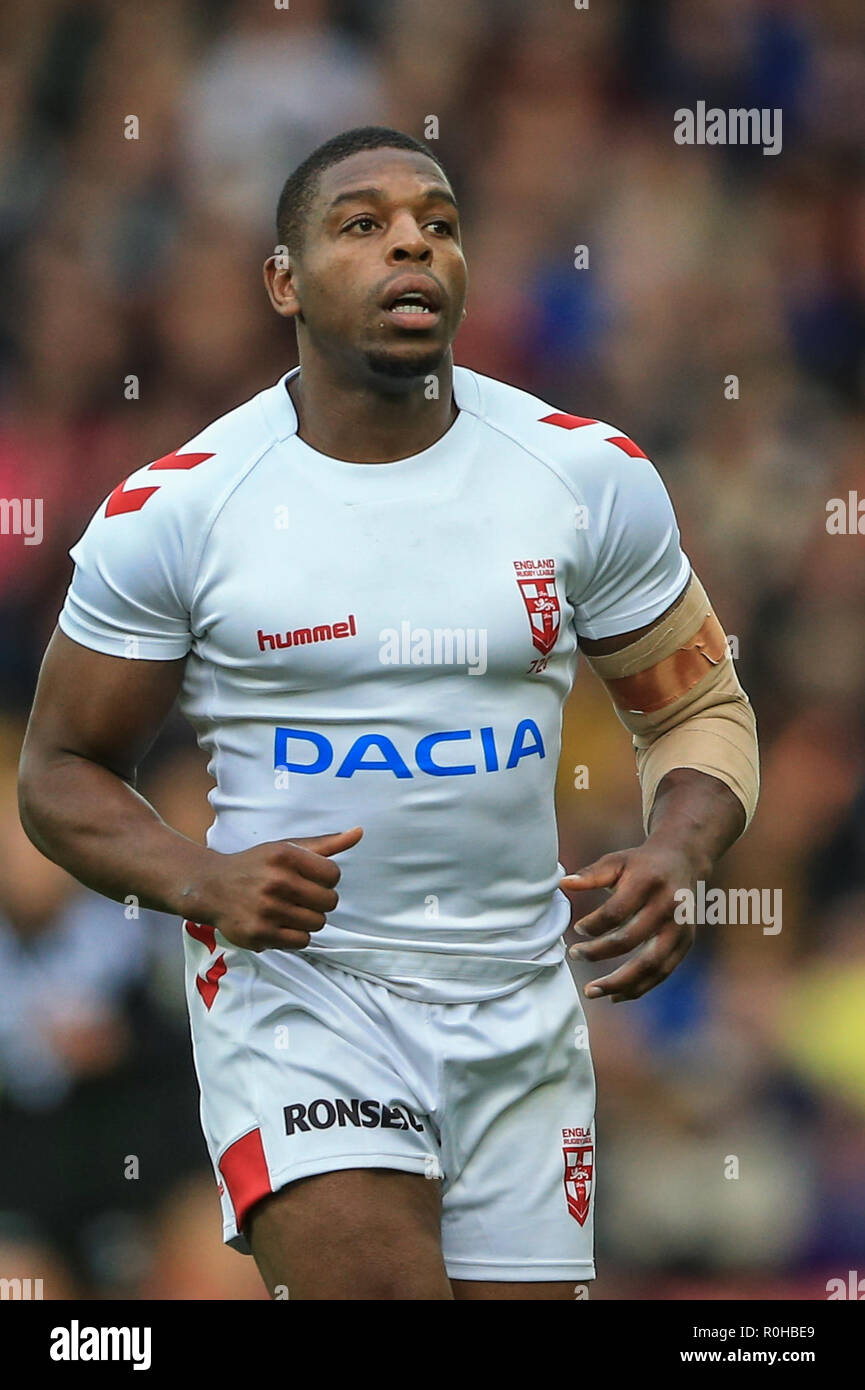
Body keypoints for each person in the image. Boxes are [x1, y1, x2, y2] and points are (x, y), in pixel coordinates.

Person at [18, 127, 759, 1301]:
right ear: (283, 280)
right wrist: (199, 880)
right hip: (307, 994)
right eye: (361, 224)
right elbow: (59, 771)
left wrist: (678, 847)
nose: (411, 238)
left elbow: (701, 709)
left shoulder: (584, 476)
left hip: (521, 1000)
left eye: (439, 222)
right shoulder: (181, 509)